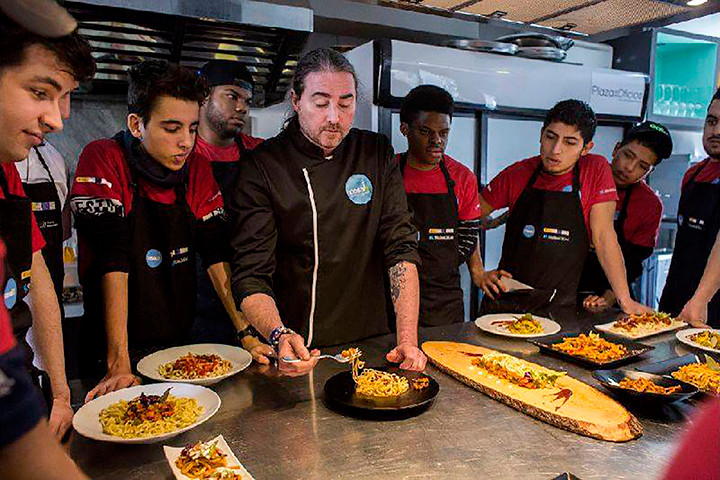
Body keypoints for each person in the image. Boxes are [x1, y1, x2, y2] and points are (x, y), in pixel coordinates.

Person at [70, 60, 263, 401]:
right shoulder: (102, 157)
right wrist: (119, 363)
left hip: (176, 349)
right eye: (171, 128)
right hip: (110, 353)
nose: (185, 142)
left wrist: (245, 333)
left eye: (191, 128)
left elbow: (216, 255)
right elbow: (112, 258)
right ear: (136, 124)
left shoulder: (197, 170)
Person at [229, 48, 426, 376]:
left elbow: (401, 248)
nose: (334, 117)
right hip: (299, 350)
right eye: (321, 103)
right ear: (296, 101)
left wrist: (408, 338)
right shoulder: (264, 165)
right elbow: (250, 275)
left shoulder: (374, 152)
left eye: (346, 104)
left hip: (375, 347)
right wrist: (278, 334)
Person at [0, 8, 95, 440]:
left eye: (64, 98)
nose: (57, 119)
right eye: (40, 92)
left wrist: (59, 392)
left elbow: (36, 275)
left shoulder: (7, 174)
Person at [475, 99, 649, 315]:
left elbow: (604, 236)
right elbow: (467, 216)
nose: (555, 150)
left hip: (558, 312)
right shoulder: (518, 173)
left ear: (586, 148)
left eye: (570, 142)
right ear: (541, 134)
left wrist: (625, 301)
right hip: (502, 309)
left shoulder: (594, 170)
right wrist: (478, 272)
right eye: (550, 137)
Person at [192, 60, 272, 361]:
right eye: (232, 96)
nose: (241, 108)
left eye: (247, 101)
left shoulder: (259, 153)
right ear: (203, 97)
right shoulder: (181, 155)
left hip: (253, 296)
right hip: (195, 304)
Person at [396, 85, 480, 326]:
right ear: (405, 129)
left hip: (444, 302)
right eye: (426, 132)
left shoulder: (462, 177)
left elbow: (469, 232)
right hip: (392, 298)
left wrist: (444, 263)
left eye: (444, 133)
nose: (437, 141)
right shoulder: (389, 173)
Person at [579, 121, 672, 311]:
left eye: (642, 166)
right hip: (557, 282)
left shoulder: (650, 205)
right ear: (616, 149)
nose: (629, 168)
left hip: (608, 292)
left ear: (649, 172)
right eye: (628, 156)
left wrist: (609, 298)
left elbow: (632, 263)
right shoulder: (582, 174)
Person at [660, 89, 720, 327]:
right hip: (677, 301)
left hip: (711, 309)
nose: (716, 131)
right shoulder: (693, 175)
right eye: (712, 121)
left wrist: (700, 299)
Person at [16, 141, 72, 304]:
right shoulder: (56, 158)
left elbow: (65, 229)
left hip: (48, 288)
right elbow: (65, 229)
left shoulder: (56, 159)